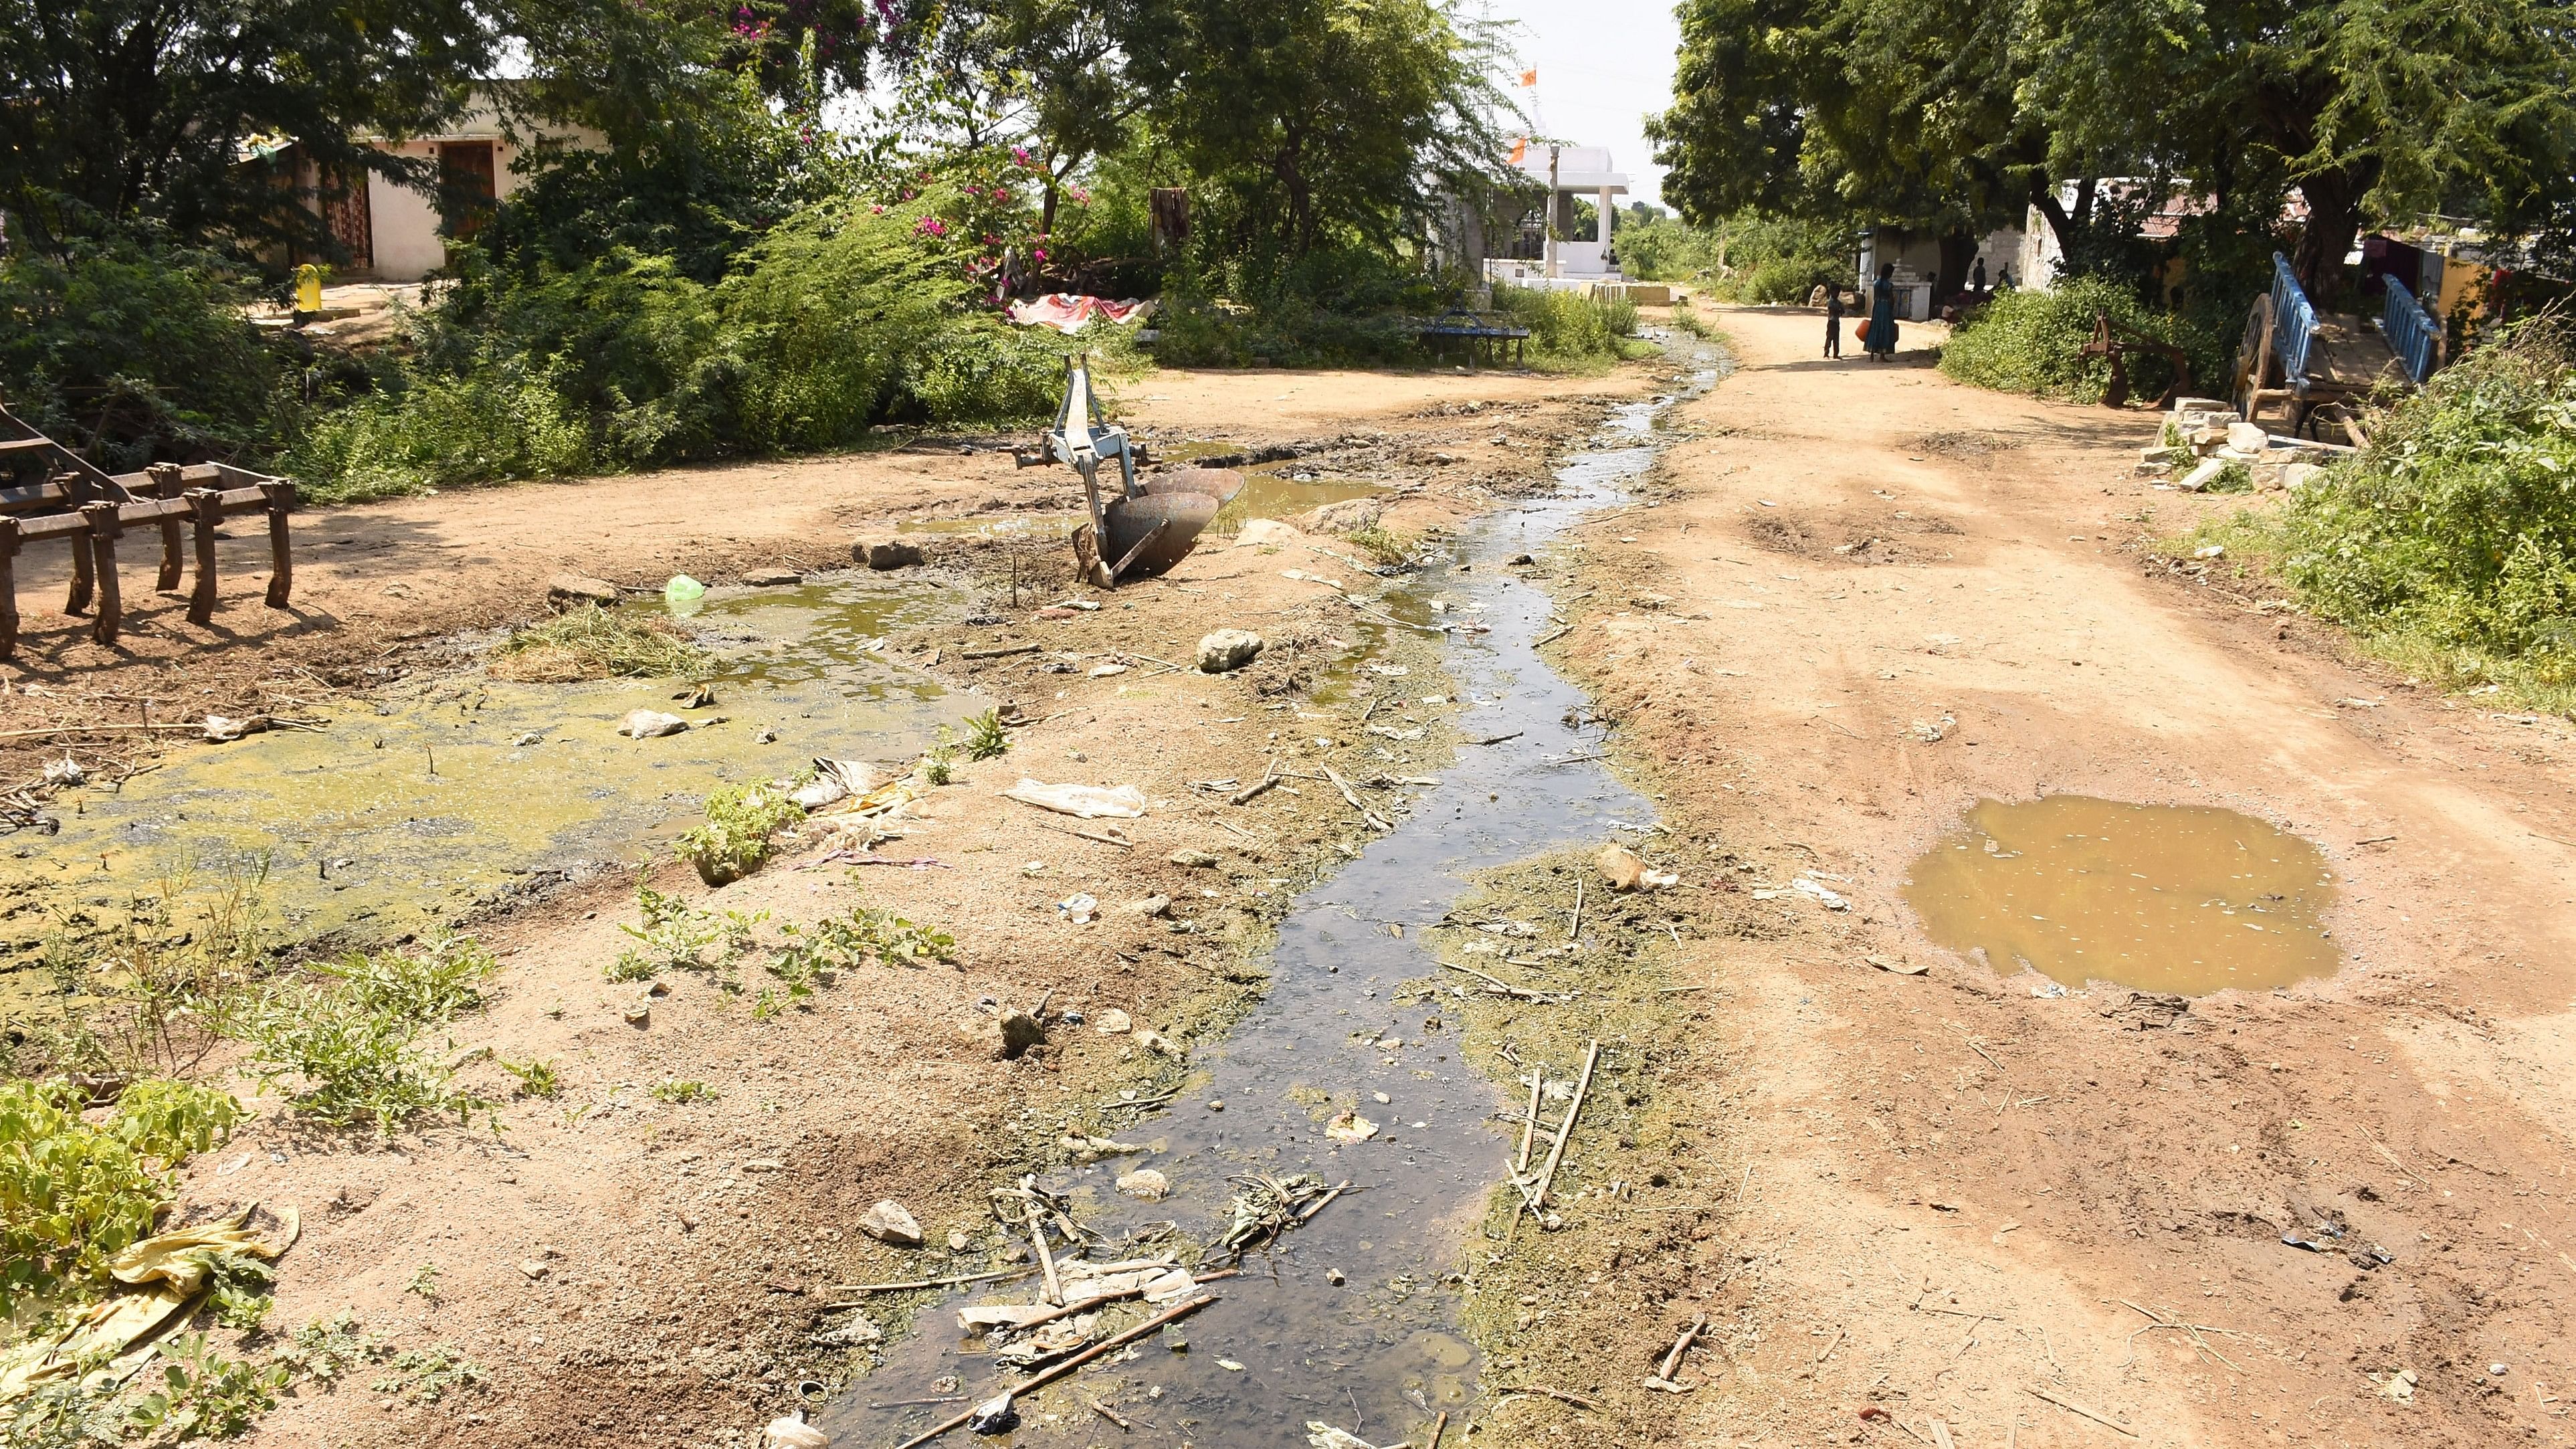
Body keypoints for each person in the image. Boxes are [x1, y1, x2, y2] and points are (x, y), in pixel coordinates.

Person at [1864, 262, 1899, 361]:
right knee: (1885, 328)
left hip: (1877, 307)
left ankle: (1871, 354)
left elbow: (1875, 297)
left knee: (1875, 328)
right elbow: (1891, 299)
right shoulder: (1888, 285)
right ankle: (1882, 355)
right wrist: (1891, 309)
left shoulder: (1876, 283)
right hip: (1885, 307)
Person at [1823, 283, 1844, 358]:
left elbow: (1842, 311)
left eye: (1838, 292)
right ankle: (1826, 353)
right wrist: (1839, 310)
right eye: (1835, 292)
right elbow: (1832, 310)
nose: (1837, 294)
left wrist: (1840, 310)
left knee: (1836, 339)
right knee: (1829, 337)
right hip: (1831, 321)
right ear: (1831, 292)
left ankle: (1836, 354)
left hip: (1836, 322)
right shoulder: (1831, 302)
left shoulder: (1839, 302)